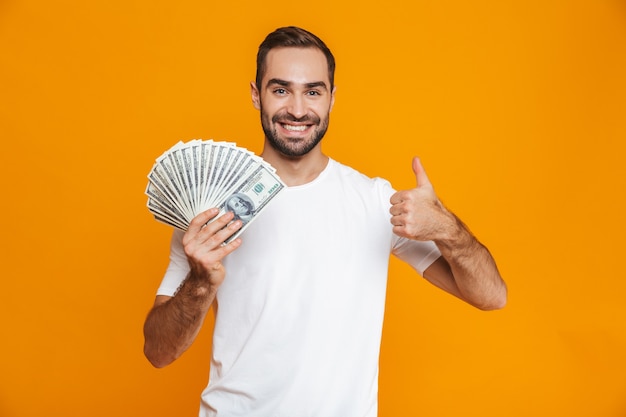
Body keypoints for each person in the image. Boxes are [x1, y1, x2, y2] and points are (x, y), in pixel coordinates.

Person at [143, 26, 507, 417]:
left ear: (332, 98)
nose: (297, 110)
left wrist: (448, 229)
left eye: (313, 91)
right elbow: (159, 353)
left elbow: (491, 296)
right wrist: (199, 281)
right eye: (281, 90)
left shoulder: (375, 201)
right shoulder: (210, 208)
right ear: (256, 94)